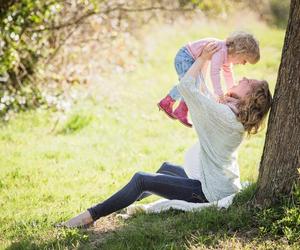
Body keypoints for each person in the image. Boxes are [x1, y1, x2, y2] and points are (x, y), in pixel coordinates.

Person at [60, 43, 272, 228]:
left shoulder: (224, 116)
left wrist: (202, 58)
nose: (243, 77)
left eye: (249, 82)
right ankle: (119, 204)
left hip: (210, 192)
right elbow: (205, 95)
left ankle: (89, 216)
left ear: (249, 97)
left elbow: (187, 87)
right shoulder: (231, 114)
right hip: (219, 182)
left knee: (142, 179)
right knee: (165, 169)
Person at [158, 31, 260, 127]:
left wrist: (231, 90)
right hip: (185, 57)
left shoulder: (227, 55)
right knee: (190, 84)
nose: (243, 64)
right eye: (245, 60)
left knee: (192, 85)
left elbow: (228, 73)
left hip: (191, 59)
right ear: (239, 52)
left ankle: (181, 109)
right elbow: (214, 73)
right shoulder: (221, 50)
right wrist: (219, 94)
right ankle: (169, 102)